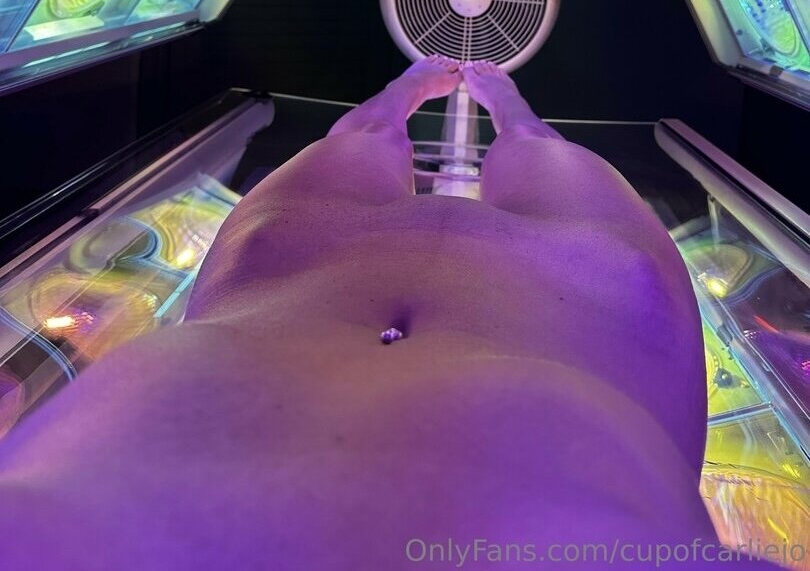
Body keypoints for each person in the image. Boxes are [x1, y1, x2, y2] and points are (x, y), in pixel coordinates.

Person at [0, 58, 764, 569]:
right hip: (595, 310)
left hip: (275, 282)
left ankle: (437, 97)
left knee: (363, 141)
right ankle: (501, 106)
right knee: (535, 150)